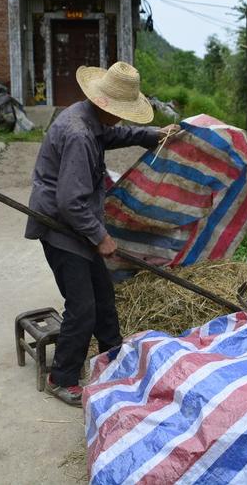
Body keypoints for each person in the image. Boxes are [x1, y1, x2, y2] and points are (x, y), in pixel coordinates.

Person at [25, 62, 179, 406]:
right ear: (107, 105)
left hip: (77, 224)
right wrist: (100, 237)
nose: (123, 120)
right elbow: (69, 202)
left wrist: (152, 135)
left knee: (103, 297)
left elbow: (115, 135)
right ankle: (61, 377)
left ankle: (113, 356)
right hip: (62, 228)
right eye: (122, 113)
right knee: (82, 308)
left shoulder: (90, 119)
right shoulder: (79, 133)